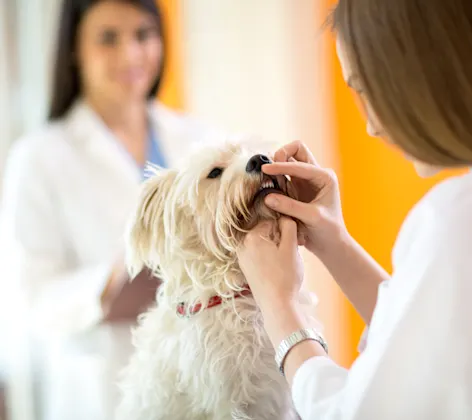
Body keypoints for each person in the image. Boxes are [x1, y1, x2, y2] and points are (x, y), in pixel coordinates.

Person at [237, 0, 472, 419]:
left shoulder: (454, 218)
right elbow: (432, 338)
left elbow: (361, 412)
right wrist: (335, 243)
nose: (370, 125)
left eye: (366, 88)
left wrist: (279, 305)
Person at [0, 0, 221, 419]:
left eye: (143, 35)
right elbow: (29, 298)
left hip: (204, 377)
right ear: (74, 50)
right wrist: (109, 285)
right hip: (104, 390)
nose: (131, 54)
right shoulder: (39, 157)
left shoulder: (200, 139)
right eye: (108, 38)